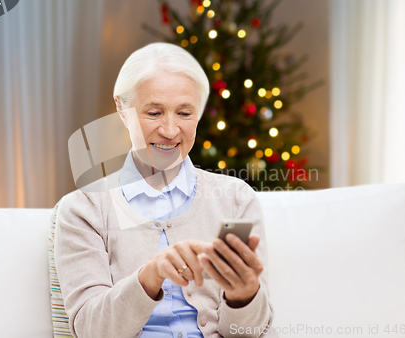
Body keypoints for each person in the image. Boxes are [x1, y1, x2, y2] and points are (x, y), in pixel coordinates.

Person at [54, 42, 277, 338]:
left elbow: (249, 333)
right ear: (122, 110)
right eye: (154, 113)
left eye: (184, 113)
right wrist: (152, 274)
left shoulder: (235, 199)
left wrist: (245, 295)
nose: (170, 131)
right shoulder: (84, 209)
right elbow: (93, 331)